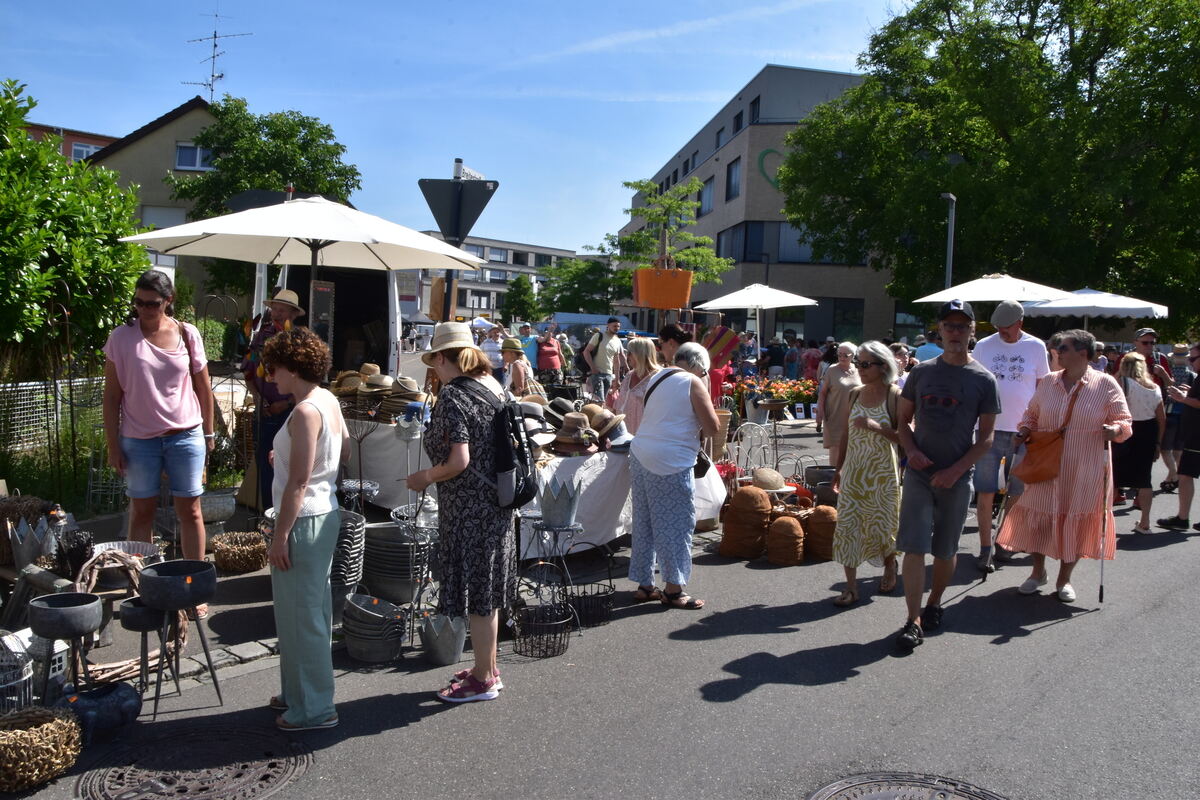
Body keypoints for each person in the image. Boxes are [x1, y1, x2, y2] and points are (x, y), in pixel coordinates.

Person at [406, 322, 514, 702]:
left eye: (433, 361)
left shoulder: (453, 395)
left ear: (440, 358)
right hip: (496, 505)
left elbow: (459, 461)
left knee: (480, 595)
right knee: (488, 591)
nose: (432, 369)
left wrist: (424, 477)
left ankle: (484, 679)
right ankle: (489, 666)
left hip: (469, 508)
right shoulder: (493, 385)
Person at [894, 300, 1000, 651]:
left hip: (957, 476)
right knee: (913, 546)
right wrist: (911, 452)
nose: (955, 332)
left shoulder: (983, 380)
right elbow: (903, 422)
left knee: (945, 549)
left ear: (972, 331)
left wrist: (956, 470)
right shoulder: (922, 373)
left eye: (962, 326)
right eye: (949, 326)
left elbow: (986, 438)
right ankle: (912, 620)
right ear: (939, 330)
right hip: (920, 474)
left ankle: (934, 602)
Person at [997, 329, 1131, 602]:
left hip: (1084, 467)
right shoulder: (1048, 382)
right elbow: (1031, 415)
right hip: (1045, 463)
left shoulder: (1106, 384)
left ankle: (1064, 579)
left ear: (1082, 353)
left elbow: (1125, 421)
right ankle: (1037, 572)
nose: (1057, 352)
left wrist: (1114, 430)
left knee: (1076, 520)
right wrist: (1023, 431)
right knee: (1037, 519)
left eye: (1063, 348)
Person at [262, 327, 349, 731]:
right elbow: (343, 448)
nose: (269, 376)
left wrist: (279, 537)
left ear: (292, 368)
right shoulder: (326, 399)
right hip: (323, 513)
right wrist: (287, 455)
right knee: (307, 613)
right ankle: (297, 694)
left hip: (304, 520)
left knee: (304, 616)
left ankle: (314, 709)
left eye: (273, 367)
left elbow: (298, 483)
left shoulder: (304, 411)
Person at [103, 270, 215, 579]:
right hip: (139, 440)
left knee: (190, 512)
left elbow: (203, 388)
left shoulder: (187, 333)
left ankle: (194, 584)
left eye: (151, 304)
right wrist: (113, 446)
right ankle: (143, 583)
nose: (144, 310)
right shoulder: (120, 337)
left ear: (168, 300)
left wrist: (209, 434)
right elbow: (111, 397)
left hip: (185, 434)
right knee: (141, 513)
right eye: (138, 303)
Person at [628, 342, 720, 609]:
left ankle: (645, 585)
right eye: (704, 371)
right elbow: (713, 427)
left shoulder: (657, 376)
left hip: (641, 452)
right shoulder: (692, 381)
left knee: (644, 522)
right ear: (697, 365)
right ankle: (674, 590)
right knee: (675, 525)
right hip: (670, 459)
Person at [968, 299, 1050, 571]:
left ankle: (1005, 539)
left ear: (1020, 323)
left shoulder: (1036, 347)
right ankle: (984, 547)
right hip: (988, 429)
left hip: (1022, 430)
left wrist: (1035, 425)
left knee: (1017, 491)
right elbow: (974, 383)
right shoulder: (983, 346)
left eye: (1007, 327)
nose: (1002, 331)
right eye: (998, 327)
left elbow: (1041, 388)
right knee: (986, 489)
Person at [831, 341, 902, 607]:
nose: (858, 368)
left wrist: (875, 426)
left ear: (883, 366)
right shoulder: (855, 394)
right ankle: (851, 588)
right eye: (858, 363)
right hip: (854, 472)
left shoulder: (895, 396)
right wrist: (838, 468)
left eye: (864, 364)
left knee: (884, 526)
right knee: (848, 526)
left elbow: (906, 438)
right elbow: (847, 433)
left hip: (883, 475)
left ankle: (889, 564)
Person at [242, 289, 306, 510]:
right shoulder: (261, 337)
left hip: (291, 412)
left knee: (288, 464)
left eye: (282, 310)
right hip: (265, 412)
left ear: (293, 313)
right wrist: (259, 400)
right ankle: (268, 514)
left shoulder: (299, 340)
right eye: (274, 309)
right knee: (265, 465)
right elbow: (248, 372)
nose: (277, 313)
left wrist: (287, 403)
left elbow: (307, 381)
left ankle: (286, 512)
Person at [1112, 352, 1165, 534]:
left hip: (1126, 430)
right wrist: (1158, 443)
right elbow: (1161, 419)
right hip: (1148, 433)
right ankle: (1145, 522)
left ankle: (1104, 523)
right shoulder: (1155, 388)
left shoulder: (1123, 383)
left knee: (1114, 477)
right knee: (1144, 480)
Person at [1159, 343, 1200, 531]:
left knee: (1185, 475)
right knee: (1185, 475)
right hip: (1192, 433)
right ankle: (1182, 518)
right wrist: (1187, 393)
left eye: (1193, 358)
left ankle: (1182, 518)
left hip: (1195, 436)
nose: (1190, 362)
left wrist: (1184, 398)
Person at [815, 342, 861, 462]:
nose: (841, 357)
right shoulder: (832, 370)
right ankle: (834, 478)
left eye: (845, 355)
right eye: (839, 354)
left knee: (853, 449)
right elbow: (823, 393)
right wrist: (820, 412)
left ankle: (848, 478)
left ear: (853, 356)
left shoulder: (858, 370)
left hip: (854, 416)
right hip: (834, 415)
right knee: (836, 448)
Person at [614, 336, 661, 434]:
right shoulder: (629, 375)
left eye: (630, 353)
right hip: (623, 434)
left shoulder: (658, 378)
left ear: (640, 354)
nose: (627, 356)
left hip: (644, 437)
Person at [583, 317, 627, 404]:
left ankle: (593, 415)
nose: (616, 328)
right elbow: (586, 351)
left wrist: (617, 379)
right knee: (600, 401)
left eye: (618, 326)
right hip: (597, 374)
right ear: (608, 325)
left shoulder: (617, 340)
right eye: (614, 326)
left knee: (601, 402)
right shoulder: (599, 336)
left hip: (609, 375)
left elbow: (616, 360)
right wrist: (593, 368)